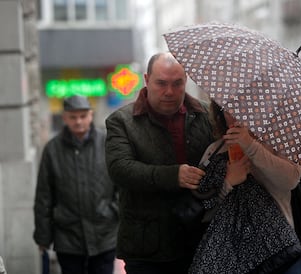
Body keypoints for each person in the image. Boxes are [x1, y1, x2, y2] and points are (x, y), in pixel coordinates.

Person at [105, 52, 214, 274]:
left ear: (186, 81)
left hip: (199, 241)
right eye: (161, 83)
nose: (169, 92)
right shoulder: (122, 121)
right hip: (147, 248)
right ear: (147, 80)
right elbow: (120, 169)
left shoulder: (207, 116)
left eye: (177, 84)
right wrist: (174, 176)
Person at [189, 101, 301, 274]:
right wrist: (228, 182)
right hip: (234, 257)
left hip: (280, 249)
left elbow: (290, 180)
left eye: (245, 108)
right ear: (220, 114)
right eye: (229, 110)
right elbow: (205, 210)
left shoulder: (280, 141)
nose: (238, 116)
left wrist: (250, 146)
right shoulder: (215, 150)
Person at [33, 95, 119, 274]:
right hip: (68, 237)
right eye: (73, 117)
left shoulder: (107, 143)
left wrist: (112, 211)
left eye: (82, 116)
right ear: (64, 118)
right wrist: (43, 237)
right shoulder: (52, 149)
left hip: (104, 233)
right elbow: (44, 196)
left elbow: (122, 185)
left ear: (91, 115)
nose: (78, 121)